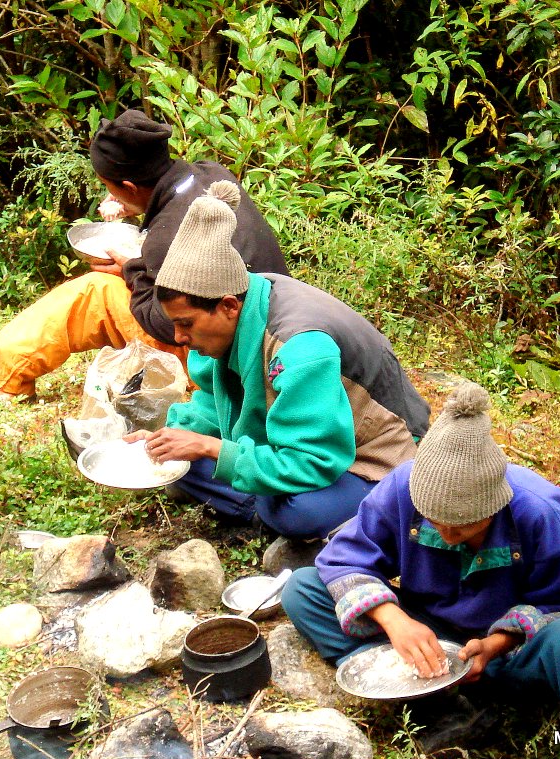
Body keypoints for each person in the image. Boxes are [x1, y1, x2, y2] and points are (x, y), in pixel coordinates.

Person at [281, 382, 560, 759]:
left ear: (495, 502)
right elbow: (344, 559)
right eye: (434, 521)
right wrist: (394, 620)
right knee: (303, 590)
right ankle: (437, 698)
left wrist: (497, 644)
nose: (447, 533)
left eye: (464, 526)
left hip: (513, 651)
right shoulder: (403, 486)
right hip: (435, 639)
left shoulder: (540, 511)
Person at [132, 180, 430, 541]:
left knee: (298, 512)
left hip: (371, 454)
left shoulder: (299, 347)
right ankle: (258, 496)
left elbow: (313, 460)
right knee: (179, 463)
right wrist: (172, 436)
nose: (178, 338)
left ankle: (264, 508)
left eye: (186, 324)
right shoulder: (235, 310)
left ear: (228, 305)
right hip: (301, 445)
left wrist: (212, 448)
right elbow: (214, 401)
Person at [0, 108, 289, 400]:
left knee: (93, 292)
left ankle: (3, 381)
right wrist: (138, 208)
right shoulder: (210, 175)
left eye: (111, 188)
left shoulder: (165, 235)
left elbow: (170, 323)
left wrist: (133, 271)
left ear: (129, 185)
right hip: (273, 326)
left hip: (227, 355)